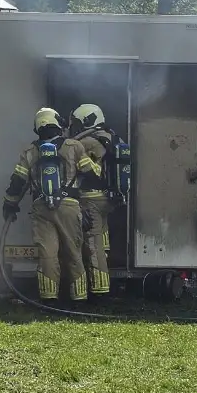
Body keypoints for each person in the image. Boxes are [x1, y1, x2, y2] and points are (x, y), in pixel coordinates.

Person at [2, 108, 100, 302]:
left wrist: (9, 205)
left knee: (48, 254)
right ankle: (79, 299)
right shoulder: (74, 146)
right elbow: (90, 175)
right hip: (69, 207)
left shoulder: (30, 152)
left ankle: (48, 298)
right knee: (73, 252)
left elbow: (17, 183)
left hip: (42, 208)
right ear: (58, 123)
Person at [70, 103, 121, 297]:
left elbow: (74, 168)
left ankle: (100, 291)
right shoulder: (110, 137)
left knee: (93, 244)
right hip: (107, 199)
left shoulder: (87, 142)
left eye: (77, 123)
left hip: (90, 199)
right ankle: (103, 279)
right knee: (102, 240)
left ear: (86, 121)